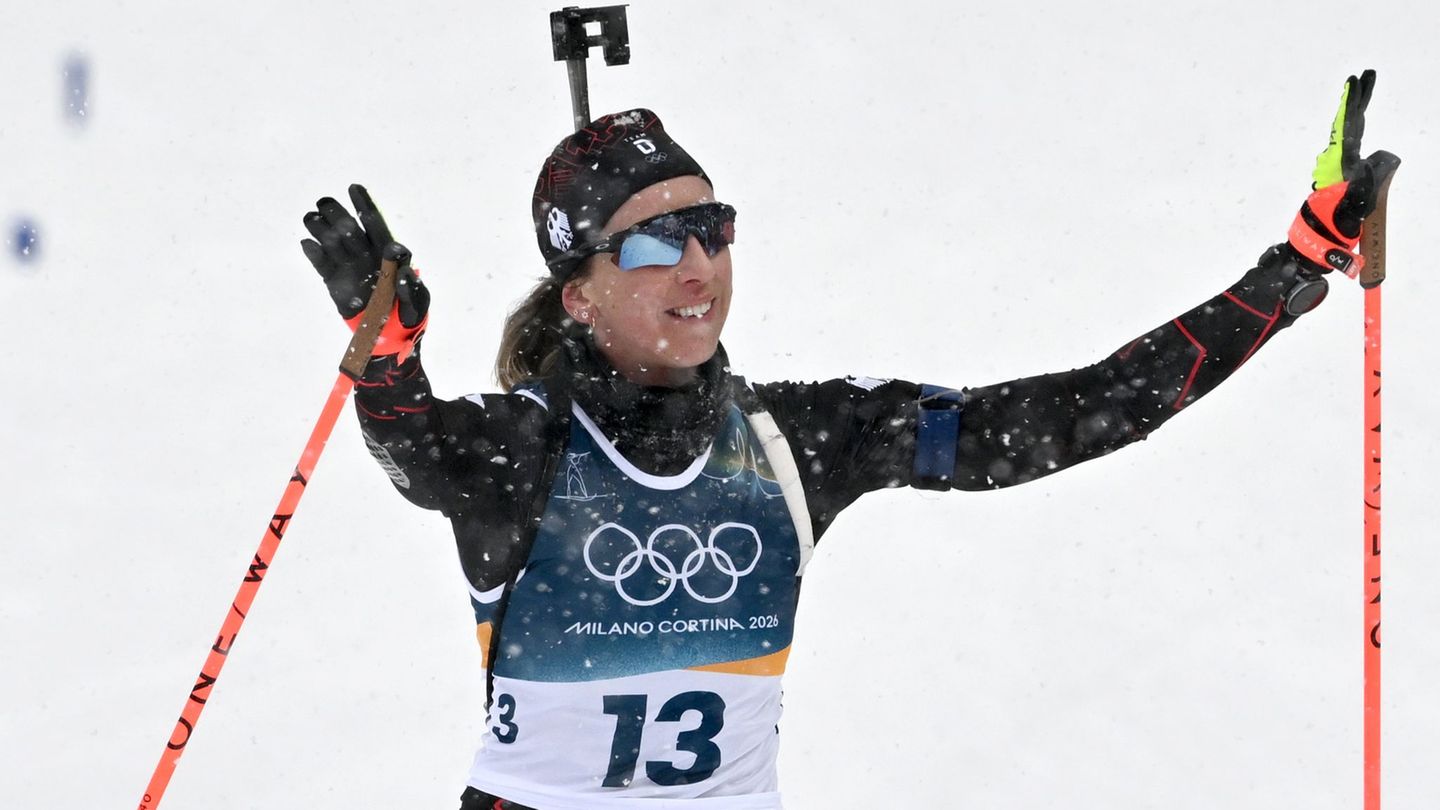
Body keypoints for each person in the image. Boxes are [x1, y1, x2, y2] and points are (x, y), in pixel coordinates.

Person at [299, 74, 1397, 809]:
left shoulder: (800, 438)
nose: (699, 267)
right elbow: (413, 450)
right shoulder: (523, 450)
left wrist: (1291, 271)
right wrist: (387, 357)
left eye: (713, 228)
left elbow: (1075, 412)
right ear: (577, 295)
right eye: (653, 245)